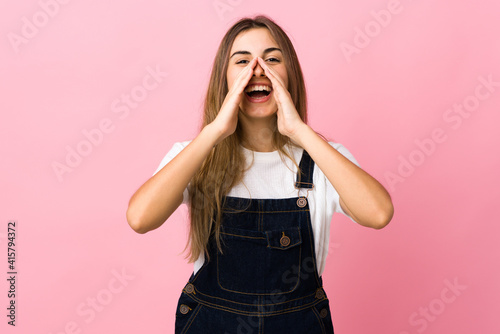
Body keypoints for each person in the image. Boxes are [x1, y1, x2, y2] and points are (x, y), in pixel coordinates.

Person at [126, 15, 394, 334]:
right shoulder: (195, 155)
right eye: (242, 61)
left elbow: (378, 213)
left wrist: (299, 131)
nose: (258, 69)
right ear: (223, 79)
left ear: (289, 74)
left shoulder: (323, 159)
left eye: (272, 58)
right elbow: (140, 219)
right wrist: (213, 133)